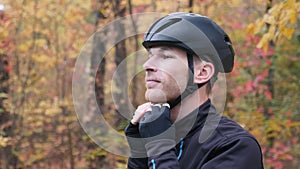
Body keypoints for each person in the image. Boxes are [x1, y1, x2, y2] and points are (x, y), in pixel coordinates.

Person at [124, 12, 264, 169]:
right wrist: (139, 153)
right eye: (150, 56)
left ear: (202, 72)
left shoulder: (235, 147)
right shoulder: (158, 136)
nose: (147, 65)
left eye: (165, 57)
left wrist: (159, 144)